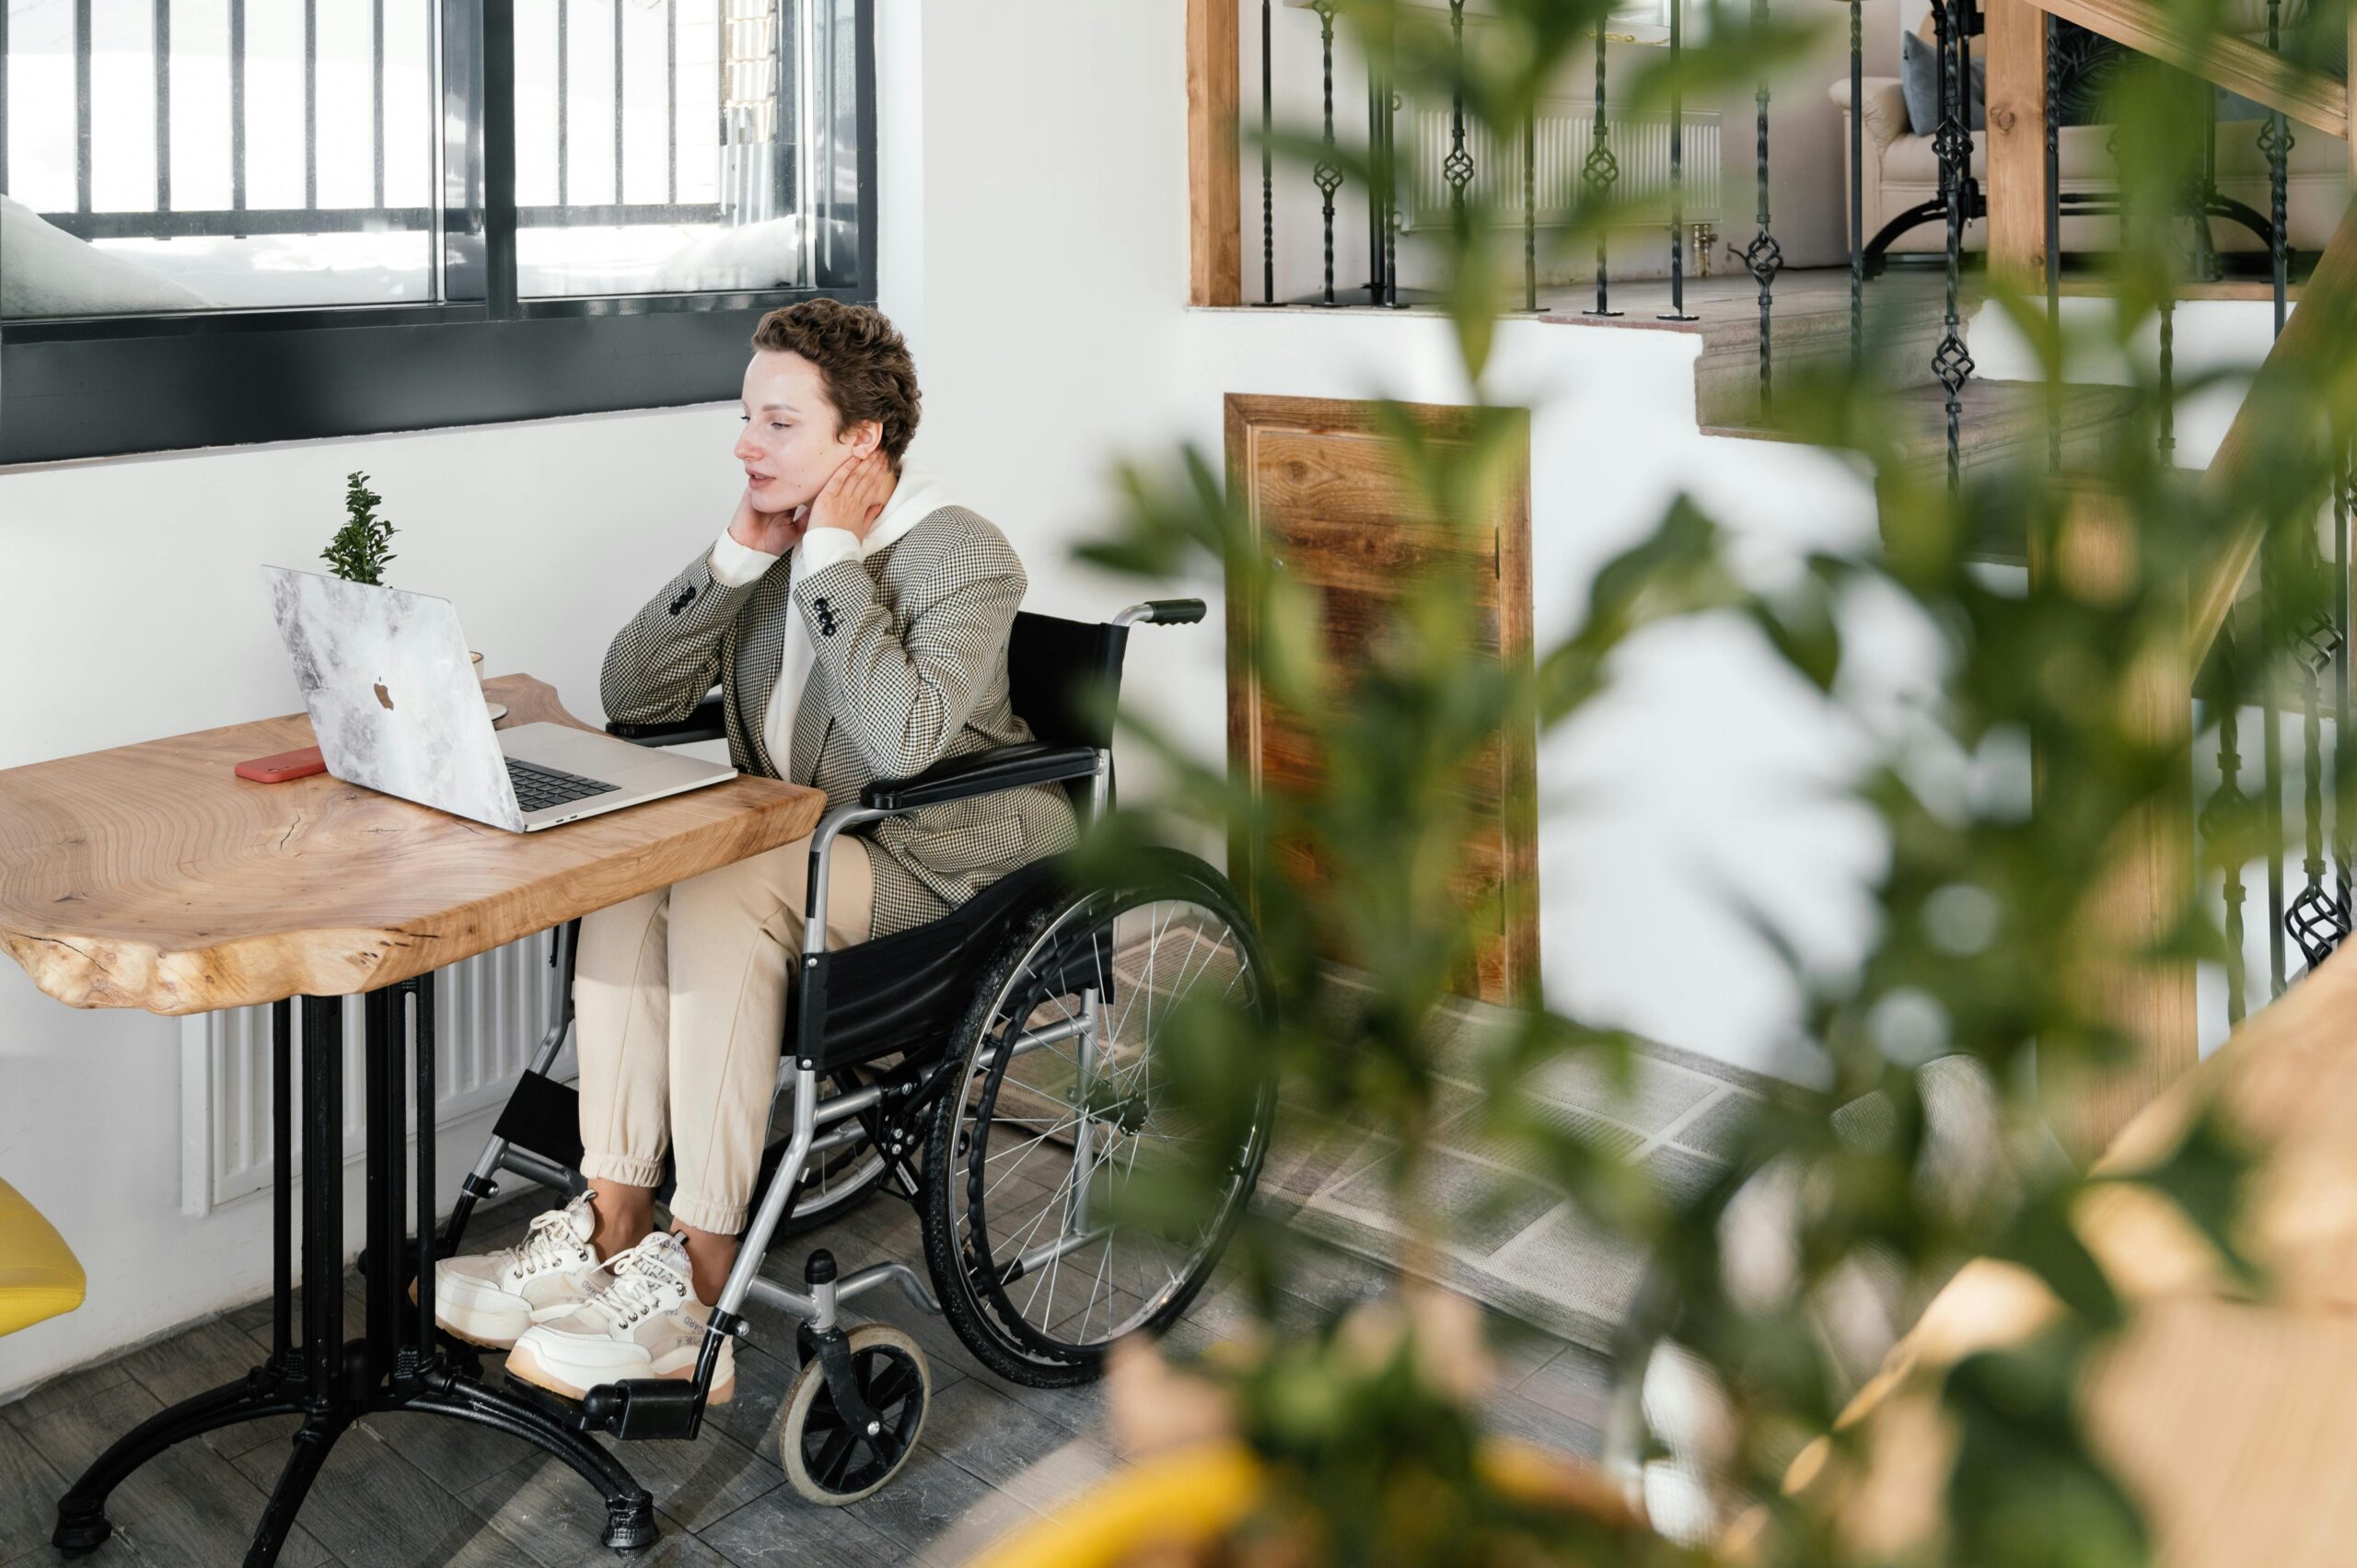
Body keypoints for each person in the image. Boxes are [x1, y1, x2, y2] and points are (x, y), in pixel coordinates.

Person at [426, 299, 1077, 1402]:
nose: (745, 444)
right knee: (639, 864)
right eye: (747, 418)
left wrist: (830, 559)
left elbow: (904, 743)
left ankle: (702, 1273)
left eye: (776, 423)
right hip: (804, 844)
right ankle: (616, 1218)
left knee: (720, 877)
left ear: (860, 438)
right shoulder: (773, 542)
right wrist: (738, 557)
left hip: (940, 855)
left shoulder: (963, 552)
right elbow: (629, 694)